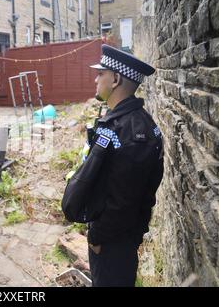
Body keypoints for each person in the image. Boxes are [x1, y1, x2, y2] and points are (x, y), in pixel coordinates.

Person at [61, 44, 164, 287]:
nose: (96, 79)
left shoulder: (131, 133)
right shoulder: (127, 123)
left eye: (101, 74)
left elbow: (124, 200)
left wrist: (97, 237)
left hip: (112, 242)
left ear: (116, 78)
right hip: (117, 237)